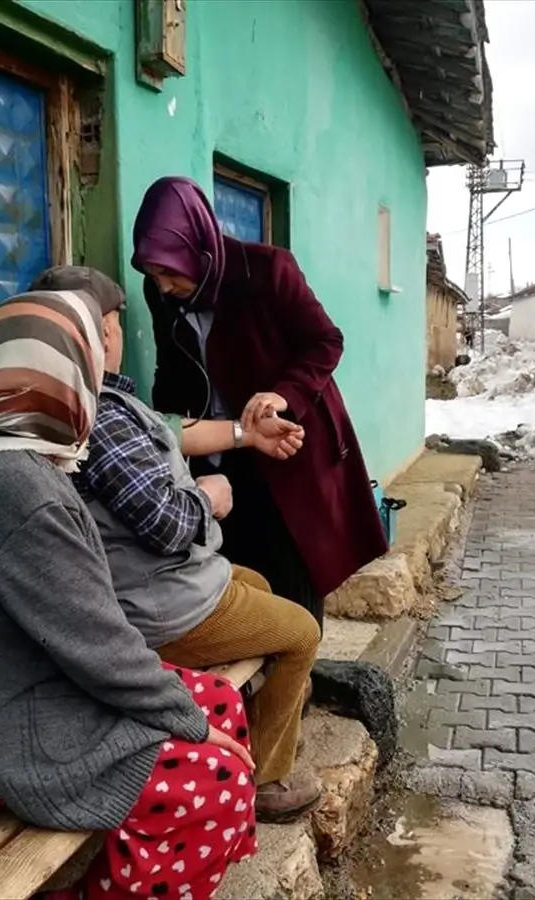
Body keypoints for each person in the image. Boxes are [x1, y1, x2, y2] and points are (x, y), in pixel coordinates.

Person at [0, 283, 257, 900]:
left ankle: (151, 873)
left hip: (19, 692)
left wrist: (188, 713)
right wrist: (184, 723)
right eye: (85, 363)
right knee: (215, 776)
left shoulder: (0, 457)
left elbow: (83, 628)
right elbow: (95, 641)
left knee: (219, 699)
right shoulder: (14, 486)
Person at [27, 265, 323, 825]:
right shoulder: (100, 417)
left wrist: (244, 434)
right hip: (156, 606)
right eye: (115, 322)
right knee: (300, 633)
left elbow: (169, 428)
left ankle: (250, 723)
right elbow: (164, 523)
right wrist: (210, 495)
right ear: (106, 332)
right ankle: (264, 780)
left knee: (255, 584)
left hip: (151, 588)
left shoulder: (75, 401)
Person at [130, 176, 389, 632]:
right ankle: (256, 689)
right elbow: (170, 370)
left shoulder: (268, 270)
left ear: (200, 247)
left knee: (296, 575)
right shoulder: (163, 295)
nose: (164, 286)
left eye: (170, 272)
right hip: (221, 450)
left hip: (285, 443)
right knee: (235, 576)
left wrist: (282, 394)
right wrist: (170, 438)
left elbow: (325, 340)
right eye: (153, 275)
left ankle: (297, 681)